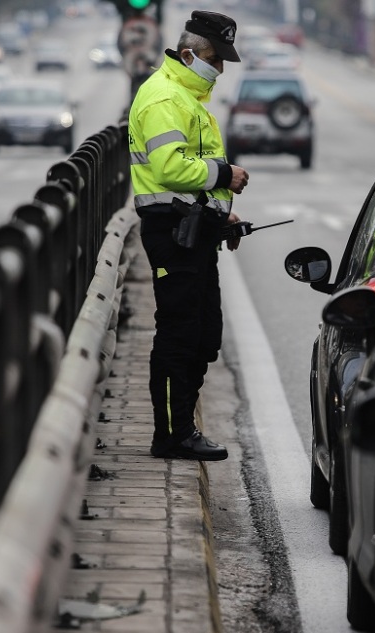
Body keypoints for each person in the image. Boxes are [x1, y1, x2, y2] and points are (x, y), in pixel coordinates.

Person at [128, 10, 250, 462]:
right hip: (171, 235)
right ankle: (172, 435)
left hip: (194, 234)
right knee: (179, 334)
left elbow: (192, 184)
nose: (219, 70)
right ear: (188, 54)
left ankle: (184, 428)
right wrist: (226, 173)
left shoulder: (187, 98)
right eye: (215, 60)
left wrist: (224, 221)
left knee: (203, 336)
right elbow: (170, 170)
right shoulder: (164, 98)